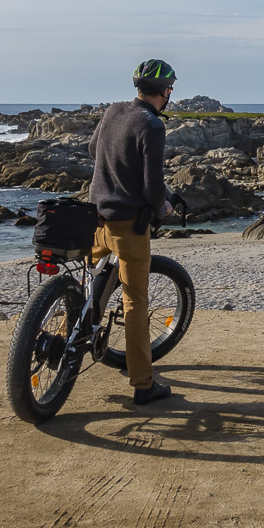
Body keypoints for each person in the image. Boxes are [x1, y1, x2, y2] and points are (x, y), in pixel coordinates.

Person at [88, 58, 178, 405]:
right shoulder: (152, 126)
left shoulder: (114, 110)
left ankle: (68, 337)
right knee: (135, 302)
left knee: (89, 289)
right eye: (170, 88)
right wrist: (164, 207)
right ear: (165, 91)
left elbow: (94, 150)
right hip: (128, 226)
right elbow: (153, 188)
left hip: (96, 219)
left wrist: (114, 173)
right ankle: (143, 385)